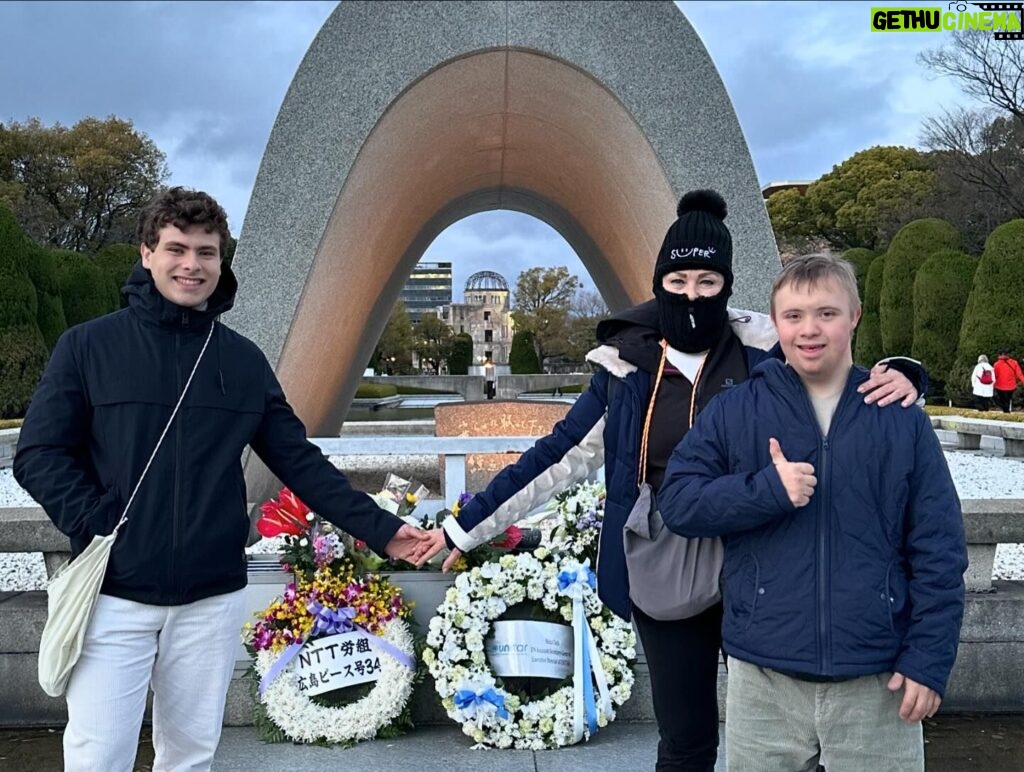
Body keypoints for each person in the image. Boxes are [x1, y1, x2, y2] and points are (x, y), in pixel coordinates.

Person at [420, 192, 924, 771]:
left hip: (761, 551)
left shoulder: (765, 351)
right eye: (678, 279)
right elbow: (559, 455)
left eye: (708, 281)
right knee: (686, 739)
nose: (691, 294)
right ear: (659, 280)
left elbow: (835, 362)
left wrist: (906, 374)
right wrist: (463, 528)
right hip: (664, 560)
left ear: (726, 284)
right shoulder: (626, 368)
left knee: (785, 738)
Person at [13, 187, 433, 772]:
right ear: (146, 253)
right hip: (113, 591)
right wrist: (98, 520)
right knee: (97, 756)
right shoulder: (88, 347)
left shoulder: (242, 361)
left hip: (210, 596)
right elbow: (37, 454)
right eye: (177, 249)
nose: (191, 265)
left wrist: (385, 531)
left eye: (206, 252)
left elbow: (301, 463)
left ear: (221, 260)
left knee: (190, 756)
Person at [659, 254, 966, 772]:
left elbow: (939, 548)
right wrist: (765, 490)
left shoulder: (898, 419)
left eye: (827, 313)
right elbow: (679, 501)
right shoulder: (738, 409)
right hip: (764, 677)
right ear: (775, 324)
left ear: (855, 317)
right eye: (794, 316)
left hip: (877, 679)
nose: (809, 330)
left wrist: (929, 662)